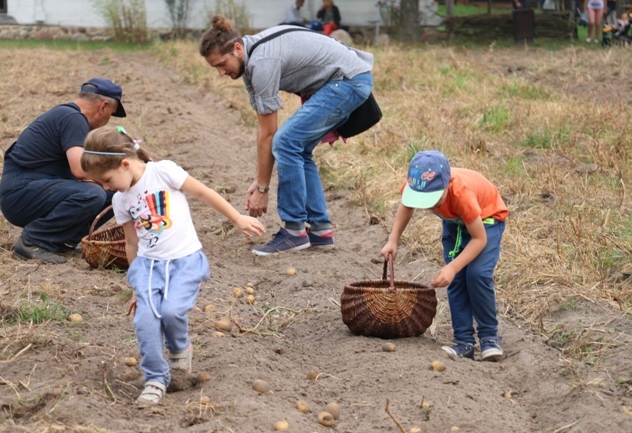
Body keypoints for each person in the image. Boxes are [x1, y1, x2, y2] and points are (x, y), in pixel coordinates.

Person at [80, 126, 265, 406]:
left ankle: (179, 350)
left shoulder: (163, 172)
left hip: (184, 261)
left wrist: (237, 218)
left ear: (125, 164)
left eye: (106, 180)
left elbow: (203, 193)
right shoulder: (120, 200)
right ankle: (155, 378)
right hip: (148, 267)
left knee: (172, 311)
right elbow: (131, 243)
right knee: (145, 320)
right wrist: (136, 286)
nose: (106, 188)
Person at [199, 15, 374, 256]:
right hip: (343, 80)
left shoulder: (262, 62)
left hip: (347, 81)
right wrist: (259, 181)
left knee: (286, 141)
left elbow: (270, 133)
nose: (220, 72)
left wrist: (263, 189)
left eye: (221, 64)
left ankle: (294, 231)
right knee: (296, 148)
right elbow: (264, 131)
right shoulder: (252, 61)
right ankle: (321, 231)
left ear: (237, 48)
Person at [381, 150, 509, 362]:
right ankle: (464, 342)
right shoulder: (417, 182)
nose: (429, 205)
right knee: (457, 280)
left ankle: (489, 338)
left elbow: (480, 239)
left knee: (477, 275)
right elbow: (406, 206)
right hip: (455, 223)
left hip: (487, 222)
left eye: (434, 200)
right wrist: (393, 239)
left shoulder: (462, 193)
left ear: (448, 184)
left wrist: (452, 267)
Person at [0, 78, 126, 264]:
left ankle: (62, 241)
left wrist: (114, 182)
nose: (107, 121)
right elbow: (80, 170)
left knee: (115, 193)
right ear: (103, 107)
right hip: (21, 193)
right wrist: (112, 178)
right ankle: (33, 241)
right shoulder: (73, 118)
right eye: (111, 114)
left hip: (32, 191)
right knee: (93, 193)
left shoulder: (68, 116)